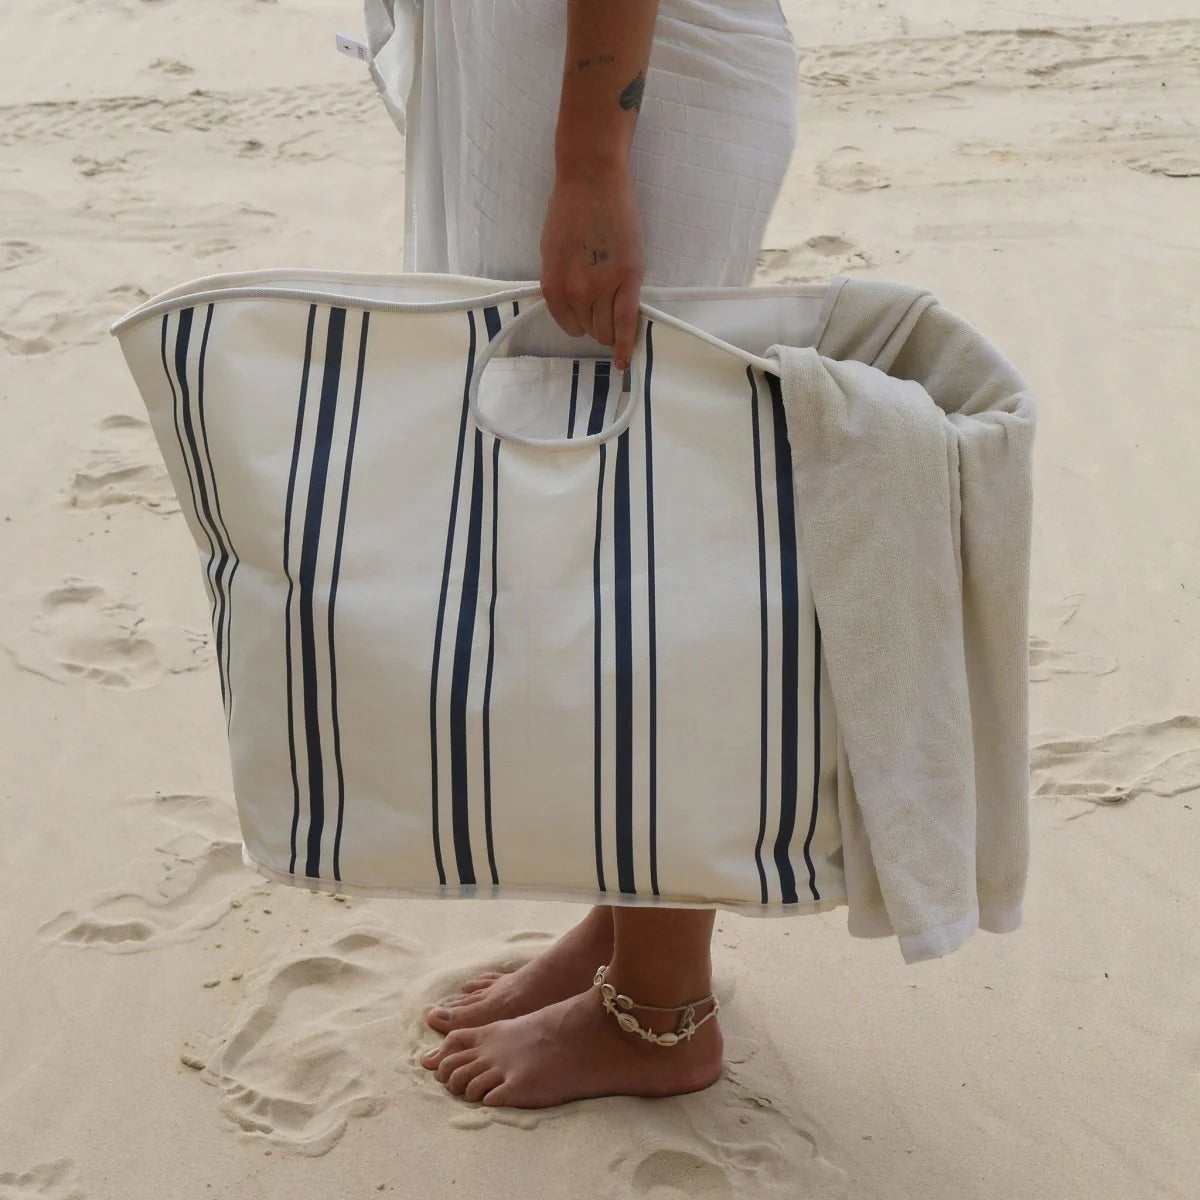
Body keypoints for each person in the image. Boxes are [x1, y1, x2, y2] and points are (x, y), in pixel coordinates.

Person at [417, 0, 799, 1108]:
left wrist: (592, 160)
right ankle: (627, 924)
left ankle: (660, 1011)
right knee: (596, 535)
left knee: (638, 548)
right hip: (574, 88)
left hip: (617, 100)